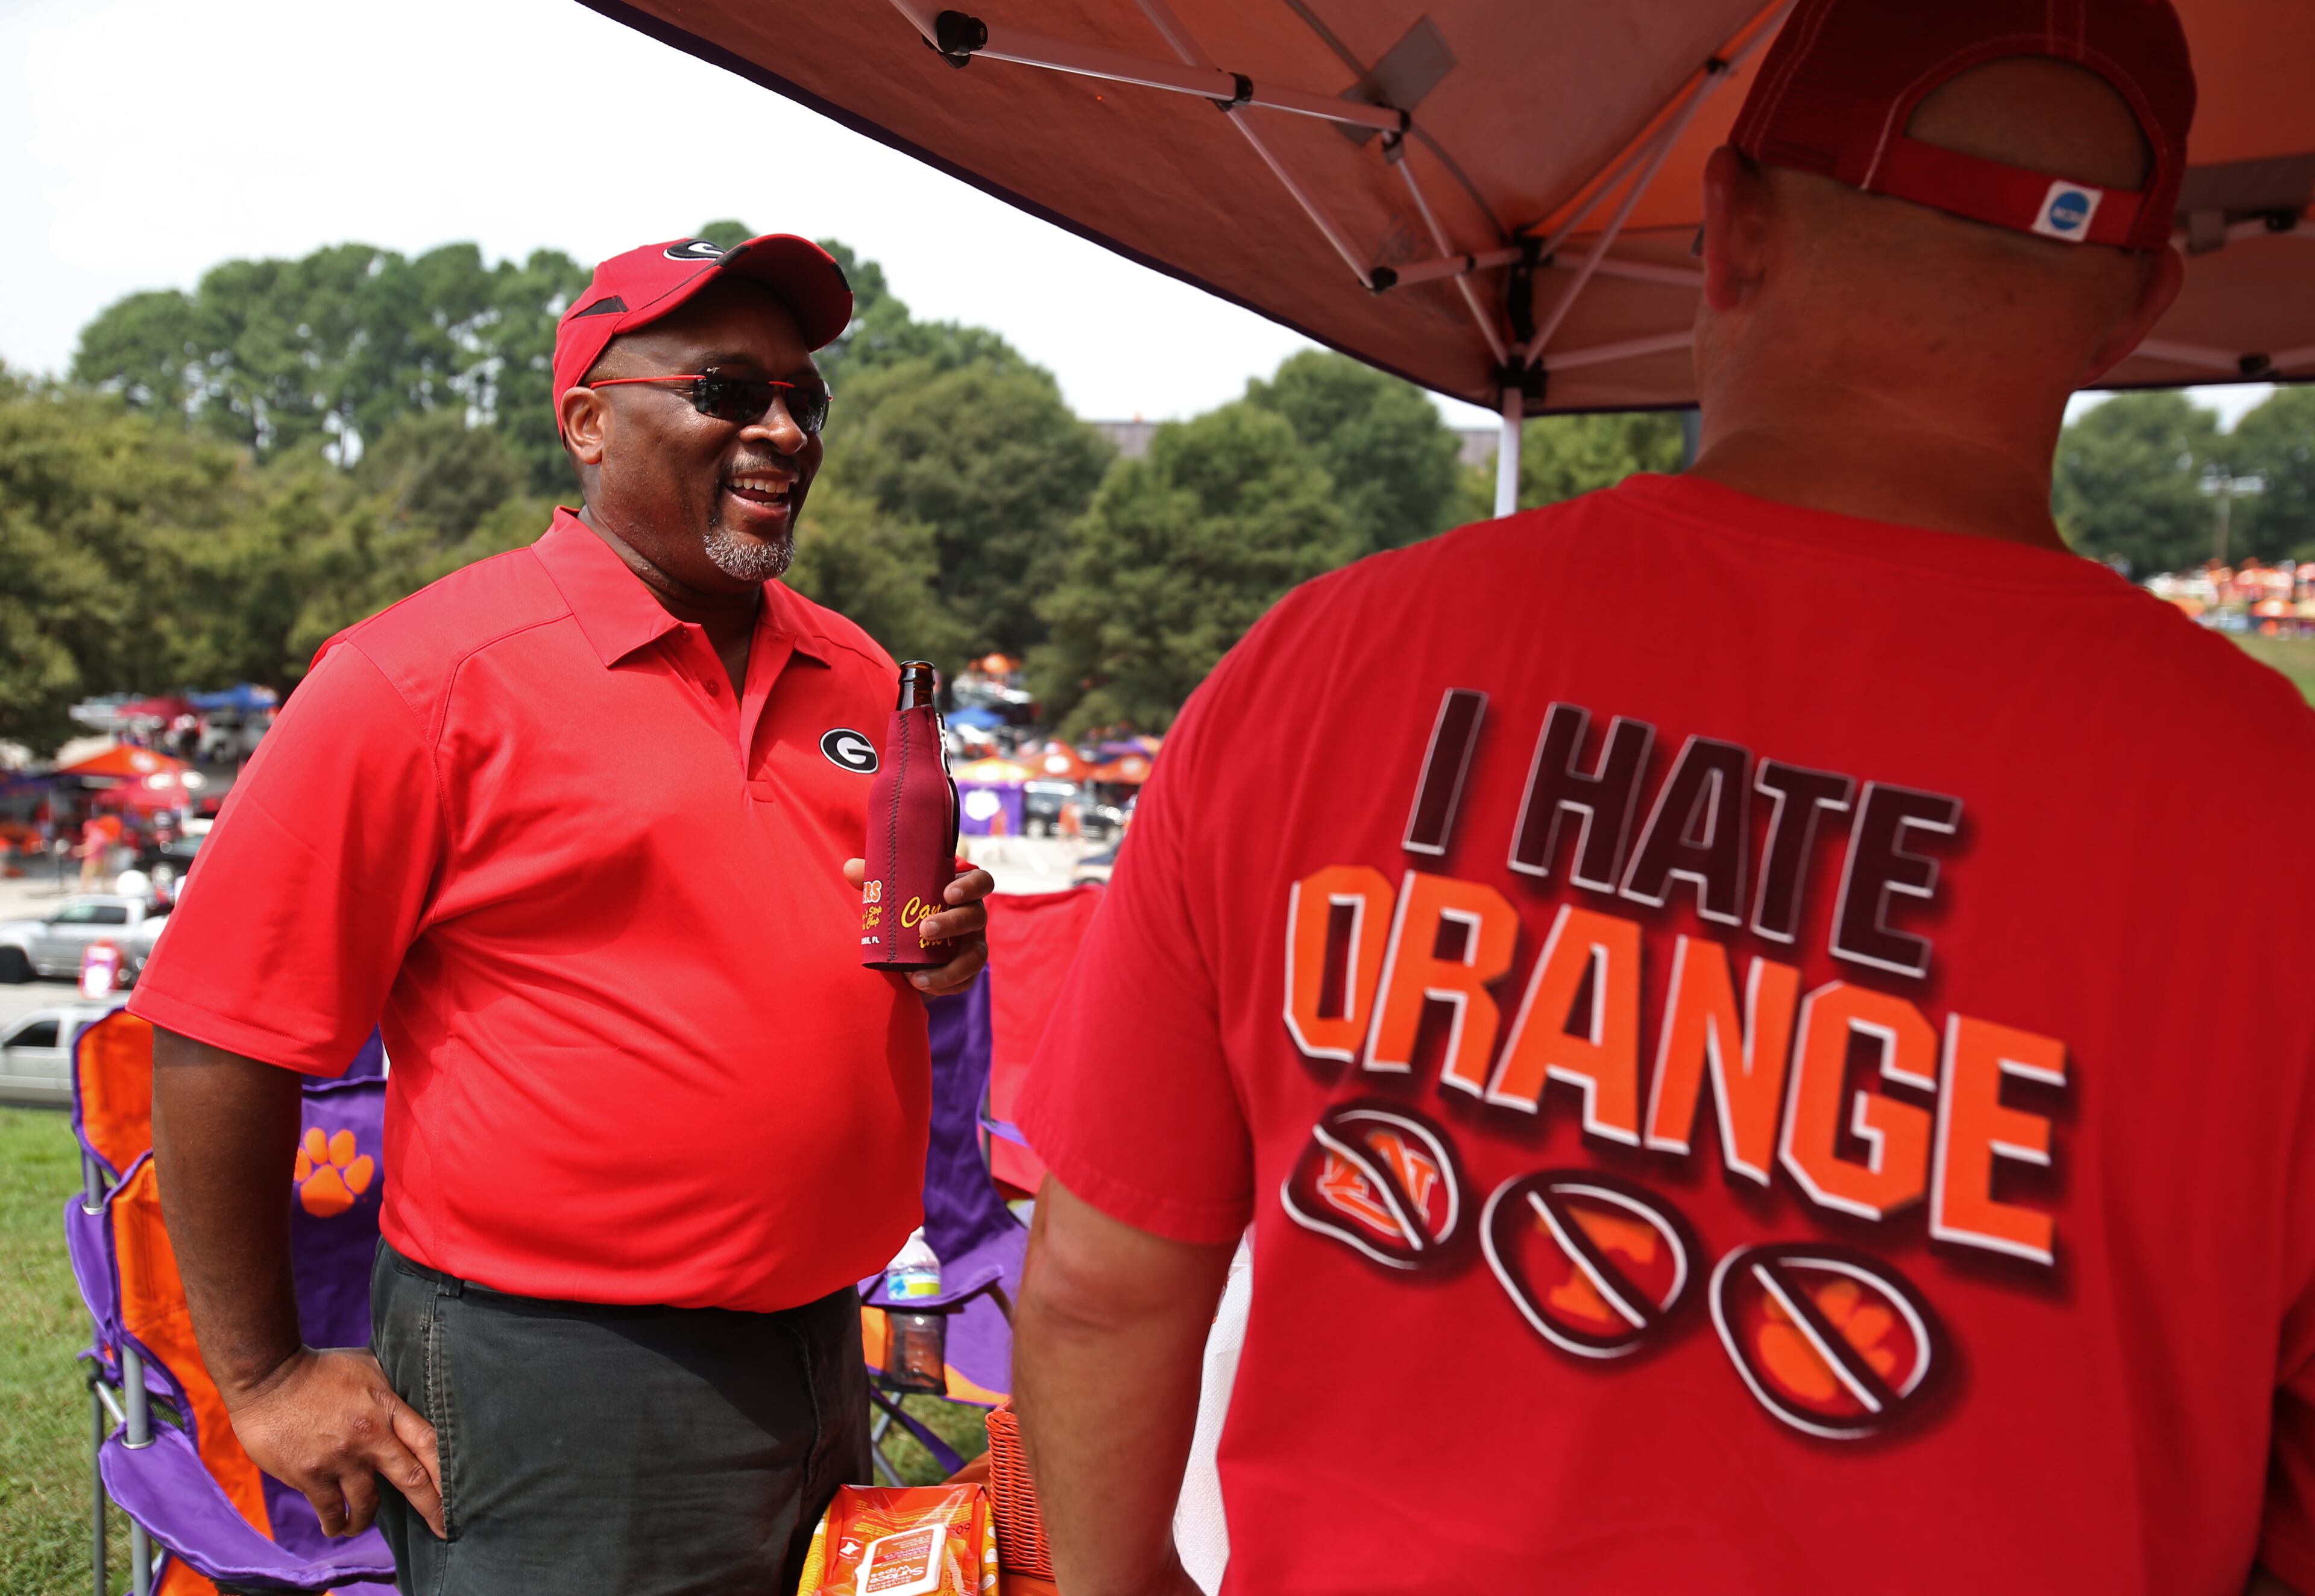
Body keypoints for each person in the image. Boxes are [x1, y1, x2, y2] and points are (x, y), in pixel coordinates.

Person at [1011, 2, 2315, 1592]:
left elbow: (1098, 1283)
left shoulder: (1325, 666)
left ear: (1731, 231)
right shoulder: (2272, 803)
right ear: (2139, 310)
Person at [132, 231, 994, 1595]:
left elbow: (840, 946)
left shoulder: (859, 672)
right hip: (554, 1380)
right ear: (589, 420)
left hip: (824, 1348)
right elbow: (215, 1031)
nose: (780, 428)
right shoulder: (418, 679)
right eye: (725, 388)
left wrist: (945, 952)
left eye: (804, 397)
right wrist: (268, 1373)